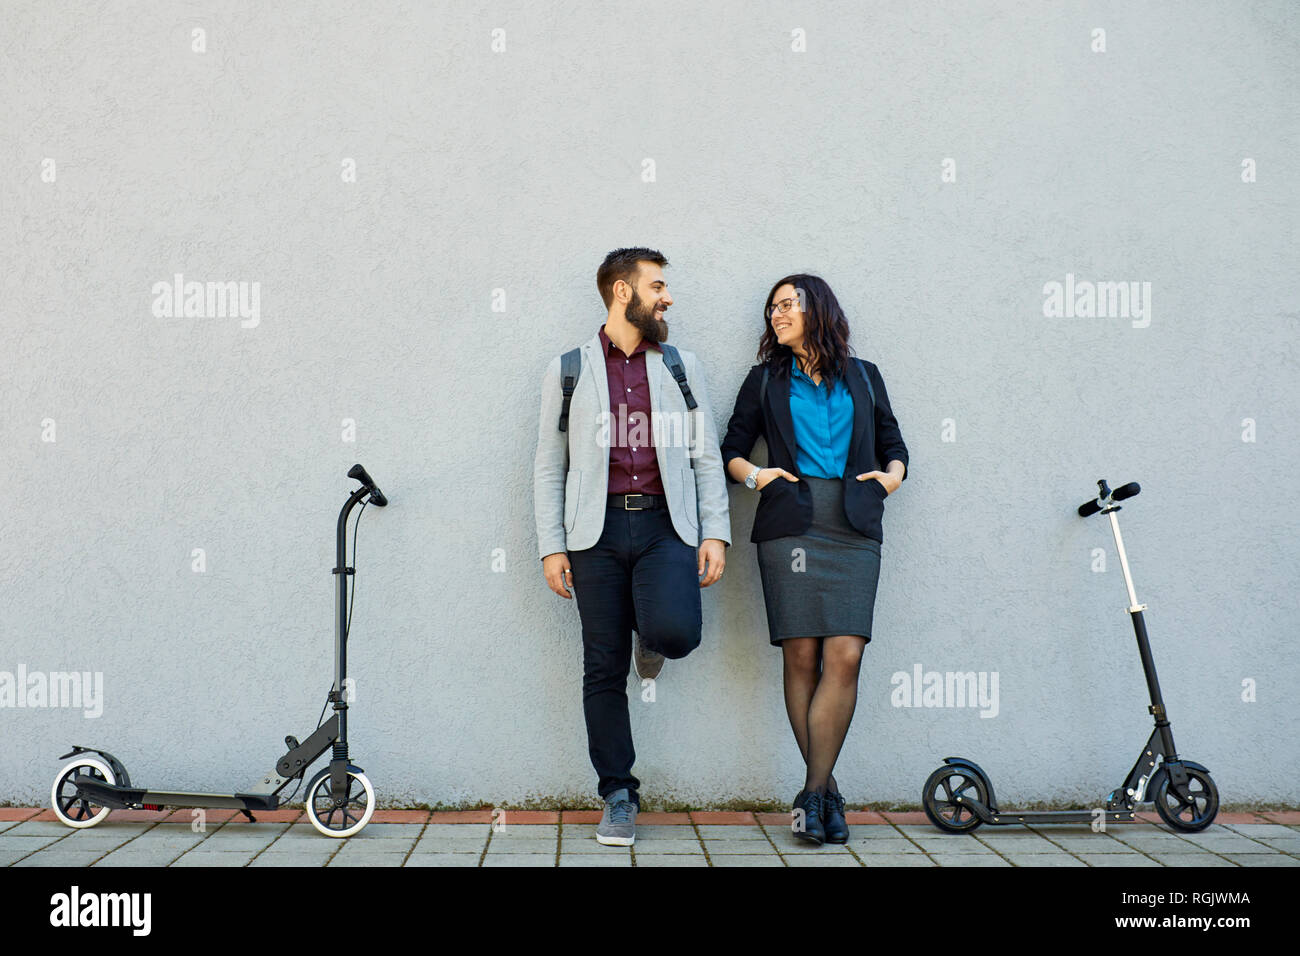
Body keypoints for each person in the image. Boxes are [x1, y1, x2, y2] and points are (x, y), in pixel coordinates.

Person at [533, 247, 731, 846]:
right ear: (624, 293)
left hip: (665, 528)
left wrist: (715, 531)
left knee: (676, 633)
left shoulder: (679, 366)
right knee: (601, 665)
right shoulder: (568, 369)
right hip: (593, 534)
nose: (667, 298)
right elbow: (549, 464)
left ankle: (654, 636)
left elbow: (704, 454)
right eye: (658, 286)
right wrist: (552, 545)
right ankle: (618, 792)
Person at [719, 273, 909, 846]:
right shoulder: (764, 381)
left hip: (852, 525)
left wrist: (891, 479)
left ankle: (814, 791)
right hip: (790, 525)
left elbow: (894, 443)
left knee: (845, 656)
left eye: (787, 305)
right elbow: (730, 449)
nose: (776, 315)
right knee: (801, 655)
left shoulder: (864, 376)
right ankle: (825, 798)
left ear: (816, 309)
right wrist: (758, 477)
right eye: (771, 308)